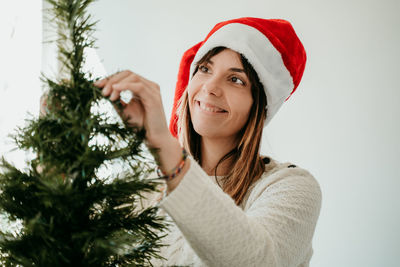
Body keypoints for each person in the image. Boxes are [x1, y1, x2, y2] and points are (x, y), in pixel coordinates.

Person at [94, 17, 321, 267]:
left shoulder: (289, 187)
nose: (210, 87)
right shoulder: (143, 187)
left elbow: (258, 261)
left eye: (236, 79)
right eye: (205, 69)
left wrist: (162, 143)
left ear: (258, 106)